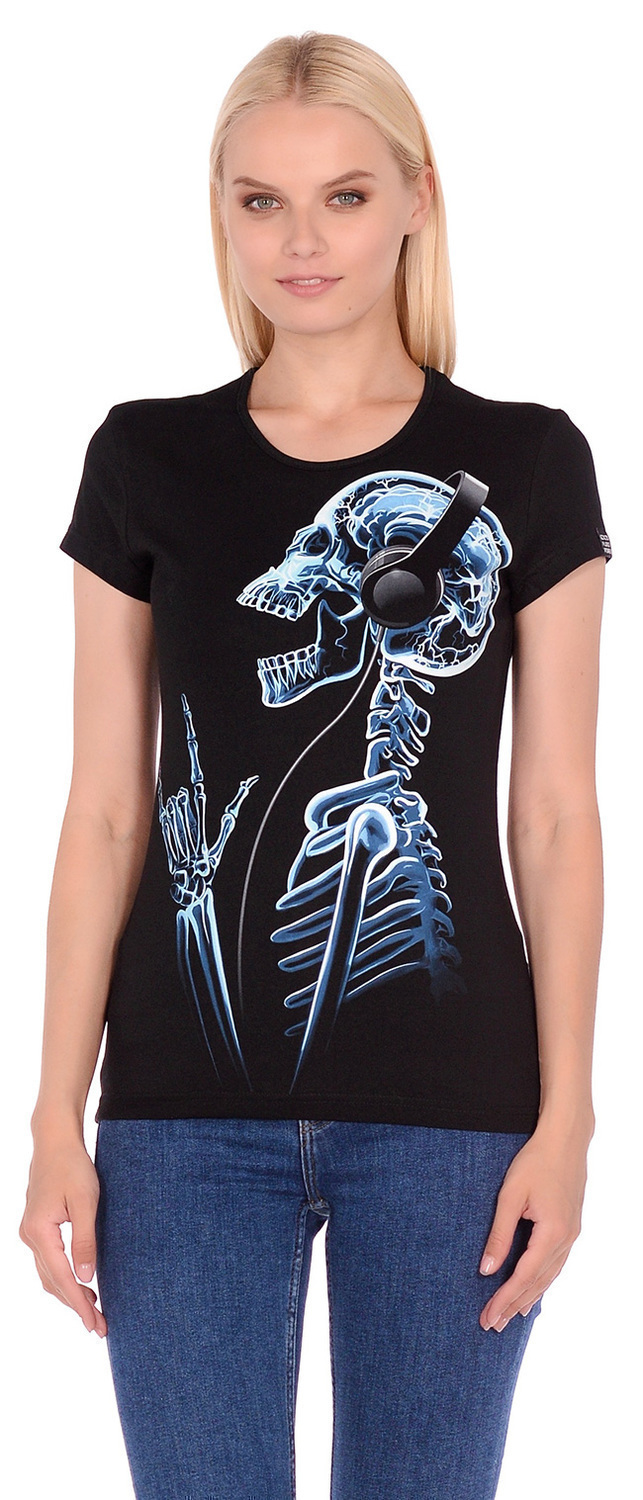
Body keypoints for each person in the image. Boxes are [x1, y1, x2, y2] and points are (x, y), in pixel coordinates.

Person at [19, 29, 612, 1500]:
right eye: (262, 200)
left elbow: (554, 815)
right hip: (179, 1123)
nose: (303, 240)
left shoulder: (531, 462)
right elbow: (106, 815)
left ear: (417, 198)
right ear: (218, 211)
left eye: (345, 196)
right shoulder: (143, 459)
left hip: (453, 1119)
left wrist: (570, 1120)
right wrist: (52, 1119)